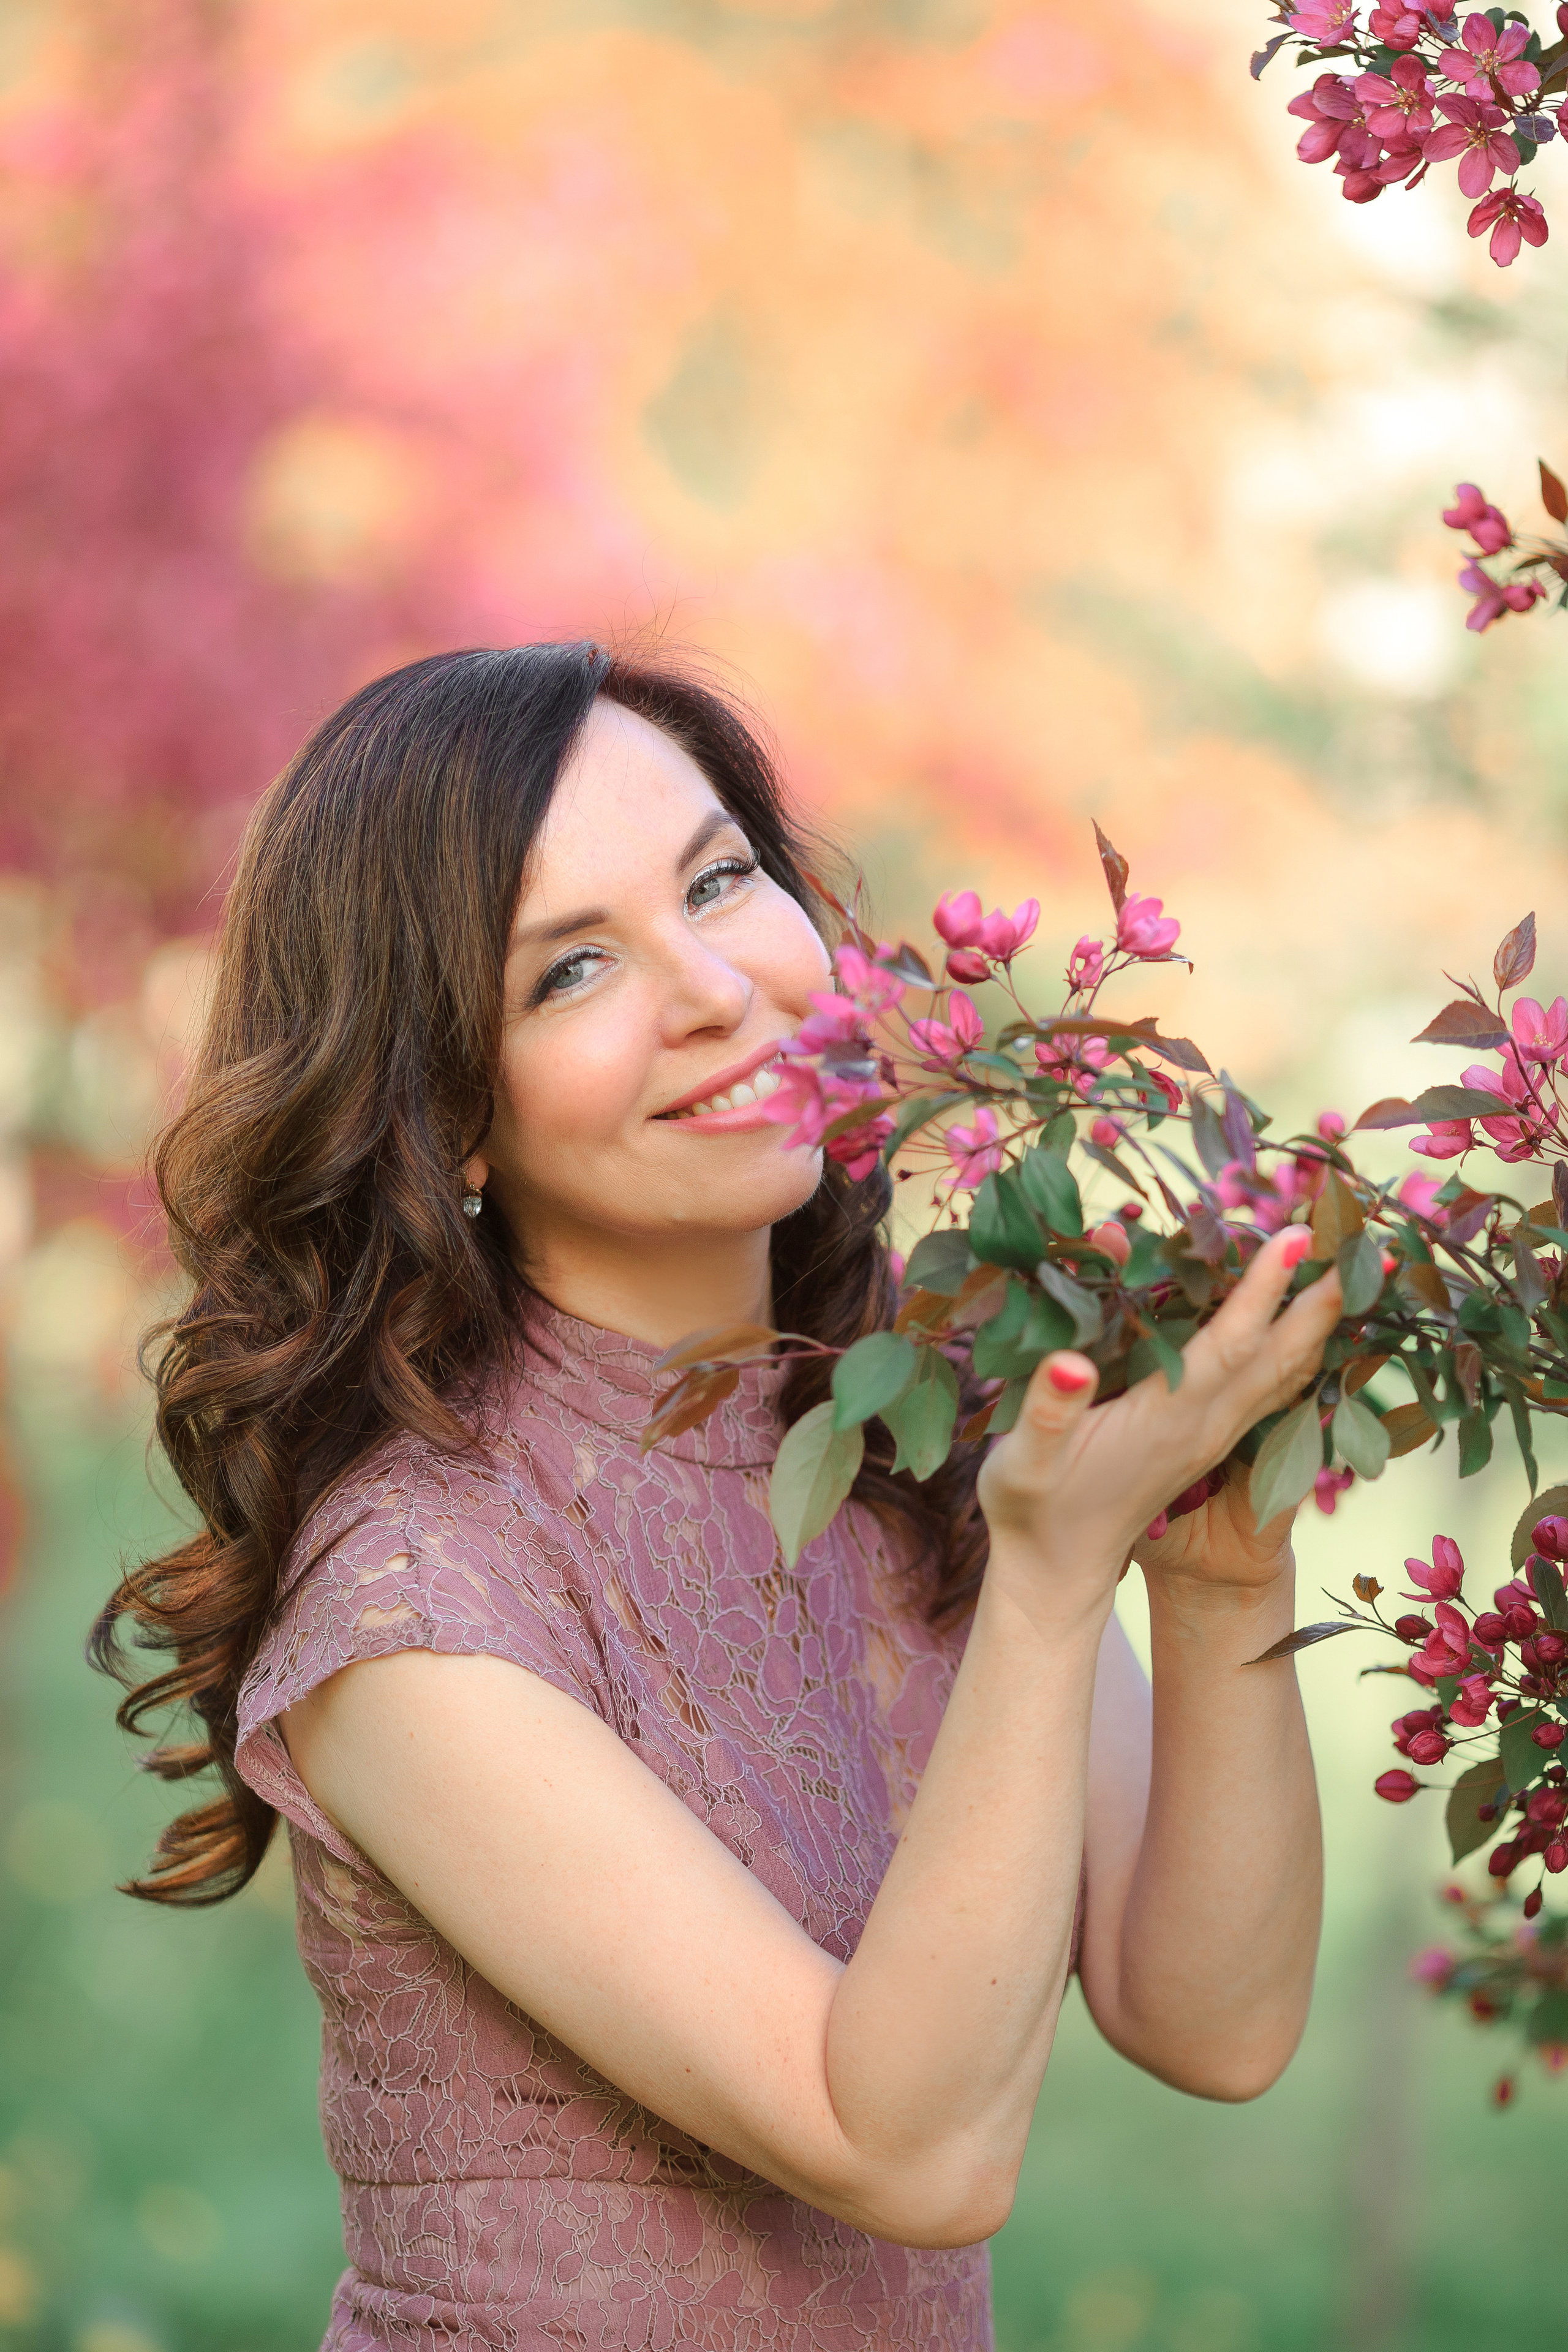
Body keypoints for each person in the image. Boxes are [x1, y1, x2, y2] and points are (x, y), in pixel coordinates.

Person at [97, 643, 1343, 2351]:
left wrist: (1215, 1585)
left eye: (720, 880)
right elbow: (905, 2151)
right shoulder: (419, 1594)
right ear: (444, 1110)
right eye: (574, 969)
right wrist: (1054, 1581)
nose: (712, 989)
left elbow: (1213, 2019)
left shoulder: (891, 1438)